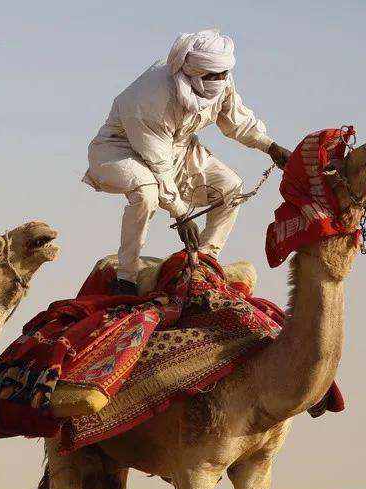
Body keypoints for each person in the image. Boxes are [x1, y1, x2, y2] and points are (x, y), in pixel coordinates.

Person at [83, 30, 291, 294]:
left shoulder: (221, 81)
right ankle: (126, 278)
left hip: (178, 149)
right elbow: (158, 164)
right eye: (212, 76)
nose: (220, 80)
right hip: (122, 148)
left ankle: (202, 262)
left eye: (223, 74)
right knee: (146, 193)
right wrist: (181, 214)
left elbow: (236, 121)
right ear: (192, 71)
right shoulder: (153, 96)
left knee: (231, 188)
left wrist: (270, 147)